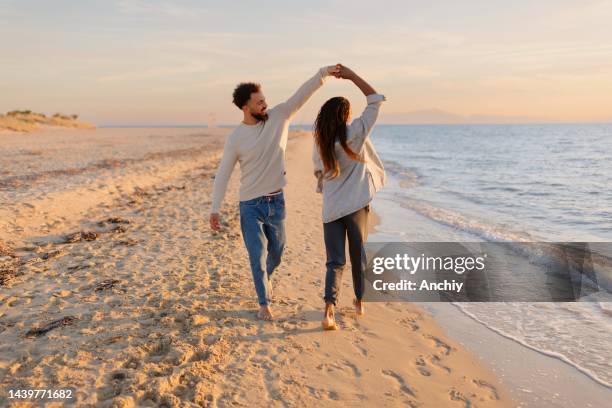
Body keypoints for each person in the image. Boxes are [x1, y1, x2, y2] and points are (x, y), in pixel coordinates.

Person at [210, 64, 341, 321]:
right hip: (250, 205)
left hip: (276, 201)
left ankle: (264, 280)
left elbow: (301, 94)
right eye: (259, 103)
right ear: (245, 108)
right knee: (256, 256)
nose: (265, 105)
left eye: (264, 100)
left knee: (277, 252)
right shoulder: (236, 138)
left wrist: (323, 73)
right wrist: (215, 208)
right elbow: (223, 173)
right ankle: (264, 303)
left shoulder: (280, 116)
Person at [312, 65, 386, 330]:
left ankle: (329, 311)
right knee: (358, 256)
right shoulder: (356, 133)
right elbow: (376, 99)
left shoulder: (320, 143)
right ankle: (359, 301)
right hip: (356, 207)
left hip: (332, 209)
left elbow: (318, 174)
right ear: (345, 116)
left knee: (335, 261)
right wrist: (353, 76)